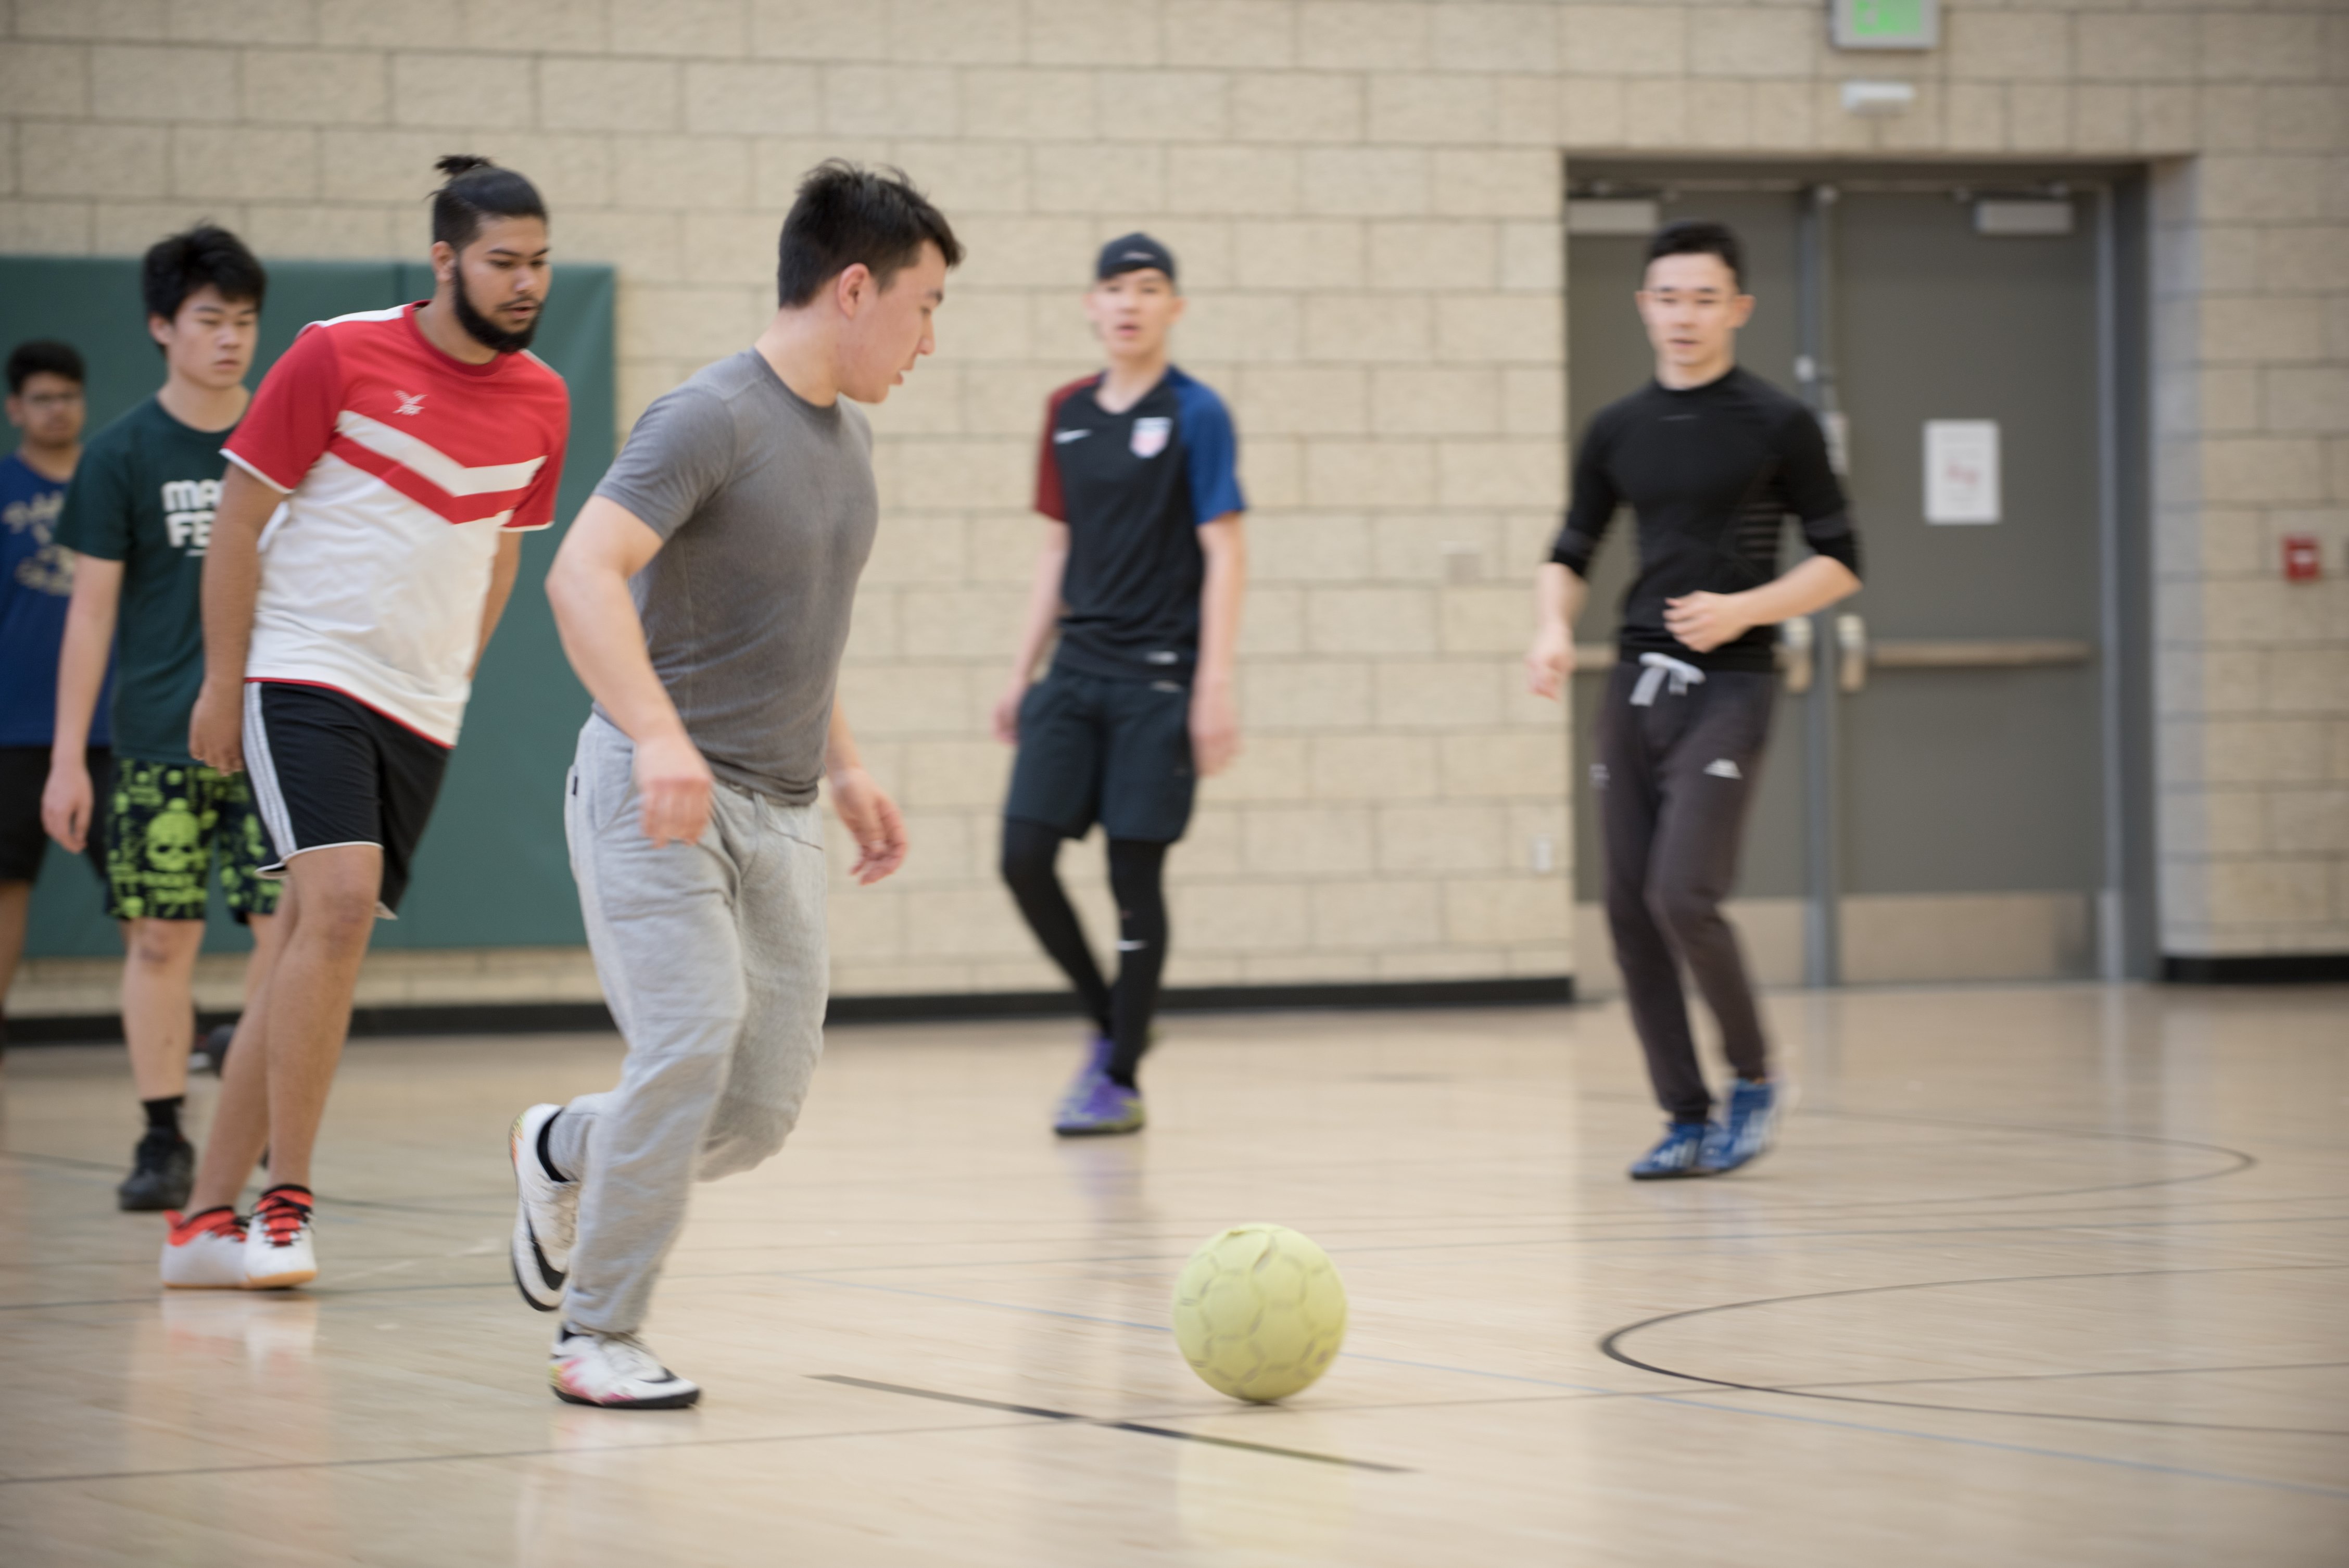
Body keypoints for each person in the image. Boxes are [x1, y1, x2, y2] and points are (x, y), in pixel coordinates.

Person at [508, 161, 954, 1409]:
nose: (929, 340)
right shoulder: (707, 417)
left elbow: (798, 627)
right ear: (854, 288)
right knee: (692, 1035)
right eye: (923, 307)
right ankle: (596, 1331)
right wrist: (657, 735)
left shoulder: (849, 439)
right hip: (657, 798)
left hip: (784, 809)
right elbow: (582, 576)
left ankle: (561, 1147)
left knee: (755, 1111)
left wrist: (850, 765)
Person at [164, 157, 570, 1289]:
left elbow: (498, 555)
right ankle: (285, 1205)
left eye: (539, 261)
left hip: (421, 701)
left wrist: (458, 678)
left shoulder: (545, 396)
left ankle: (201, 1223)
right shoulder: (336, 353)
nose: (526, 280)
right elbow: (241, 519)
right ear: (444, 260)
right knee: (337, 910)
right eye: (503, 261)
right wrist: (220, 682)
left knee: (303, 942)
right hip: (303, 668)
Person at [1523, 220, 1861, 1181]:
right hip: (1634, 684)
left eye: (1704, 298)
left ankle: (1755, 1078)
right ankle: (1685, 1114)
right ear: (1644, 307)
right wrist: (1552, 627)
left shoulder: (1777, 423)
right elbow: (1571, 551)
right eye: (1667, 297)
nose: (1684, 315)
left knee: (1684, 894)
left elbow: (1843, 561)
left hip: (1731, 685)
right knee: (1630, 911)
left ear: (1738, 308)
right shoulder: (1618, 428)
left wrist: (1744, 609)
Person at [43, 234, 287, 1211]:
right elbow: (91, 612)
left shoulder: (289, 439)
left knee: (288, 935)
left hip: (276, 737)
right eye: (209, 321)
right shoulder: (120, 456)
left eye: (244, 322)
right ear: (161, 328)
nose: (231, 341)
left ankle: (263, 1116)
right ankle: (161, 1137)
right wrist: (70, 759)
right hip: (155, 741)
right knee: (157, 943)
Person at [993, 233, 1246, 1137]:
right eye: (1115, 288)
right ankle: (1115, 1016)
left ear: (1173, 307)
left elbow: (1226, 553)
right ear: (1090, 305)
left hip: (1159, 681)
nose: (1130, 303)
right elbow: (1056, 548)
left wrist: (1213, 686)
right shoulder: (1065, 411)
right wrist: (1020, 672)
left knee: (1133, 875)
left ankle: (1121, 1076)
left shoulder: (1198, 413)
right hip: (1076, 672)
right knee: (1023, 858)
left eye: (1149, 289)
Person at [1, 340, 107, 1058]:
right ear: (16, 409)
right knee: (9, 883)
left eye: (68, 395)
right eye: (42, 397)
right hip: (14, 726)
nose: (57, 408)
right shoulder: (6, 489)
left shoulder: (107, 481)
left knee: (144, 894)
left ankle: (172, 1023)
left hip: (108, 727)